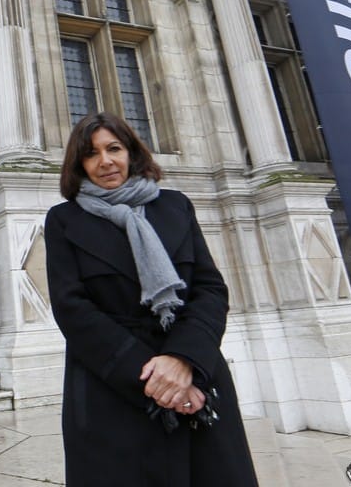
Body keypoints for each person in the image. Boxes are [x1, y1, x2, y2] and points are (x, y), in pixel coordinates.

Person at [45, 112, 258, 487]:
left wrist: (183, 360)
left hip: (196, 375)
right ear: (79, 164)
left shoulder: (176, 206)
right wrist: (156, 380)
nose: (105, 161)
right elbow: (71, 308)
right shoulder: (64, 220)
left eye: (114, 148)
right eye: (91, 154)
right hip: (113, 386)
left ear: (131, 152)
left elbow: (209, 288)